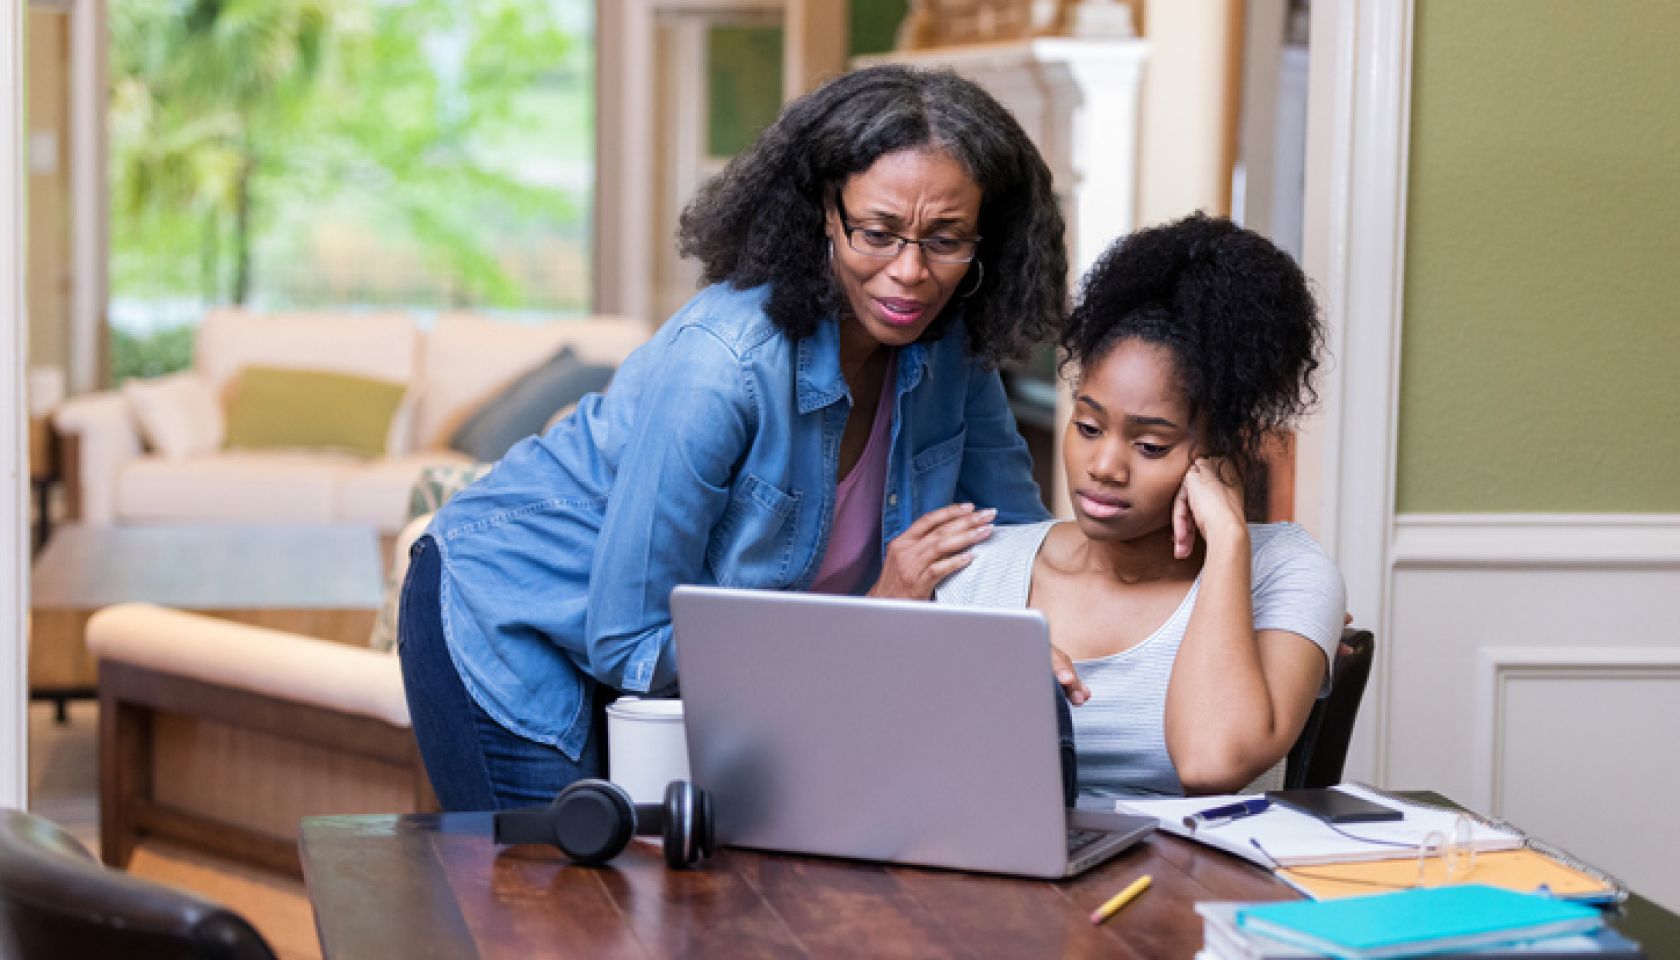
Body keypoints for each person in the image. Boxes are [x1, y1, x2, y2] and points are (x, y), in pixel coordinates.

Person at [398, 64, 1068, 810]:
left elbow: (1020, 542)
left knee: (697, 906)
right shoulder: (722, 366)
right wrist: (880, 611)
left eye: (946, 240)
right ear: (825, 211)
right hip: (517, 617)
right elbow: (629, 643)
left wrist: (1148, 533)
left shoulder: (950, 353)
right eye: (877, 233)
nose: (910, 273)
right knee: (558, 912)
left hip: (696, 671)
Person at [936, 213, 1347, 798]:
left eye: (1151, 444)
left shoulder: (1287, 573)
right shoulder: (975, 566)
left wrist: (1229, 541)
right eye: (1087, 425)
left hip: (1191, 888)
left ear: (1220, 447)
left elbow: (1210, 761)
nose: (1105, 466)